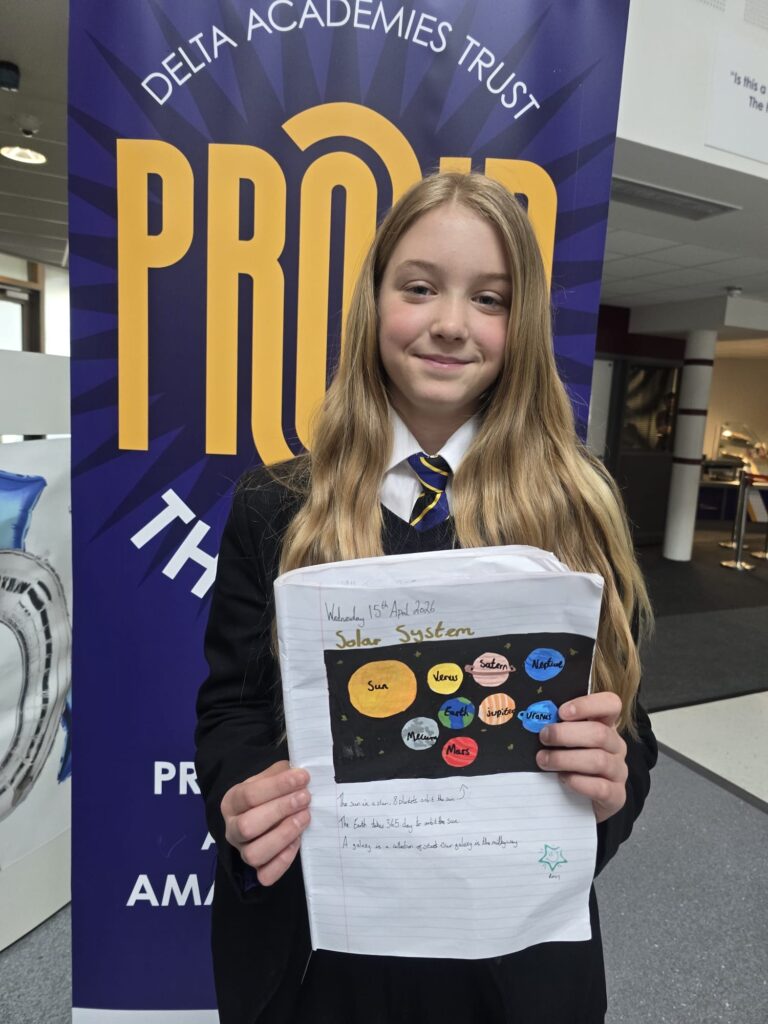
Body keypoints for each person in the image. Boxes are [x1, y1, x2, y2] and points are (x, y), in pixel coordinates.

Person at [195, 172, 657, 1024]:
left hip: (510, 956)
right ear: (373, 304)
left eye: (489, 298)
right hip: (319, 948)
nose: (450, 322)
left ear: (522, 325)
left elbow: (629, 731)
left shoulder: (577, 507)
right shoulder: (276, 506)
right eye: (418, 288)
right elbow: (232, 708)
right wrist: (242, 793)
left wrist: (607, 790)